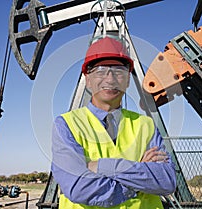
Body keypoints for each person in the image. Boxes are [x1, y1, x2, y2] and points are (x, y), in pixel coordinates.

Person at [51, 36, 176, 209]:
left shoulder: (145, 125)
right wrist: (140, 179)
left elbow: (167, 181)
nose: (110, 79)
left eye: (118, 71)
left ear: (128, 80)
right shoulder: (66, 125)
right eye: (100, 71)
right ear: (88, 80)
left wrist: (104, 166)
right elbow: (79, 188)